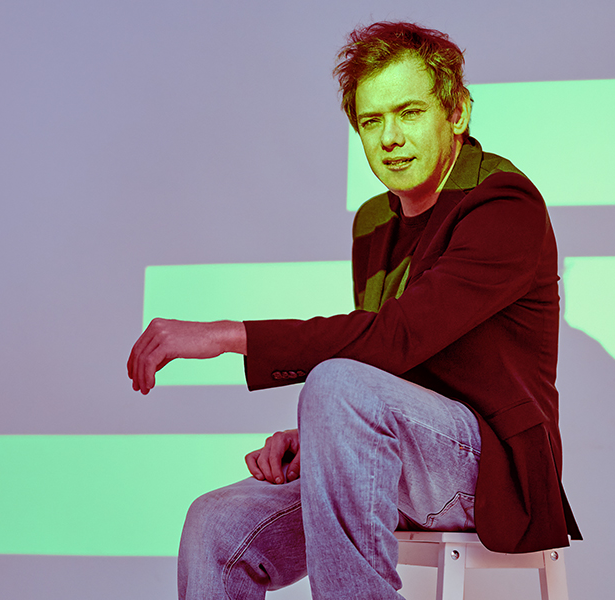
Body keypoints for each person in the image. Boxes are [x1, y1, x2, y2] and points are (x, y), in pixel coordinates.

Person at [127, 21, 581, 600]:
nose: (390, 138)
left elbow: (395, 337)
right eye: (371, 121)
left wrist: (227, 335)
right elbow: (387, 372)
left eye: (409, 113)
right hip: (407, 453)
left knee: (337, 386)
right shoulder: (373, 221)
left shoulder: (503, 204)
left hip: (492, 469)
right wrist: (320, 432)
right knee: (216, 521)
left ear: (457, 113)